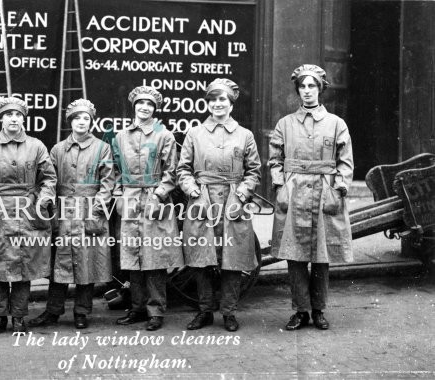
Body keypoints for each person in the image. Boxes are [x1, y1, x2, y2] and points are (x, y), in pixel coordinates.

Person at [268, 64, 354, 331]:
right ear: (298, 90)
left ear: (320, 89)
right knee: (294, 256)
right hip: (294, 193)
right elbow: (274, 160)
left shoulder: (336, 123)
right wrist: (280, 185)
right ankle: (300, 310)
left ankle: (318, 310)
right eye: (302, 86)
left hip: (324, 192)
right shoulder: (285, 123)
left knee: (321, 255)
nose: (307, 91)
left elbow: (345, 162)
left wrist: (338, 188)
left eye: (312, 86)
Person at [0, 96, 57, 336]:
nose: (13, 119)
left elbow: (49, 179)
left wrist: (43, 201)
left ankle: (18, 317)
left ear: (23, 119)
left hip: (28, 212)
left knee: (23, 266)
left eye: (18, 115)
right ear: (2, 119)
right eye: (9, 115)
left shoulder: (36, 146)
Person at [177, 78, 261, 332]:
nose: (217, 104)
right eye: (212, 100)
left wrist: (243, 194)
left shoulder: (245, 135)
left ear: (231, 103)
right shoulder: (195, 133)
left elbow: (254, 171)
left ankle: (229, 312)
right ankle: (204, 312)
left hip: (234, 202)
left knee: (232, 259)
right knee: (202, 258)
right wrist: (192, 189)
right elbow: (183, 169)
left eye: (222, 99)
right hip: (202, 201)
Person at [27, 99, 115, 329]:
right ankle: (53, 311)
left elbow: (108, 183)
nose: (81, 122)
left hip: (89, 210)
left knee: (86, 264)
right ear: (70, 122)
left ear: (91, 122)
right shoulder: (57, 149)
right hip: (63, 212)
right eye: (77, 118)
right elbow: (48, 179)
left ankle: (81, 312)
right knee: (60, 263)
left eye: (86, 118)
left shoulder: (101, 148)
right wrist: (50, 209)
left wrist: (97, 209)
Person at [112, 86, 183, 331]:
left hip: (156, 199)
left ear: (155, 109)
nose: (145, 108)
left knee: (155, 258)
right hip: (131, 198)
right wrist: (118, 194)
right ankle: (137, 308)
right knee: (132, 257)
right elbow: (116, 169)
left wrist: (159, 196)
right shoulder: (120, 137)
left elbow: (171, 171)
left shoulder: (165, 136)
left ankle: (156, 311)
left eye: (150, 105)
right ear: (134, 107)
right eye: (141, 104)